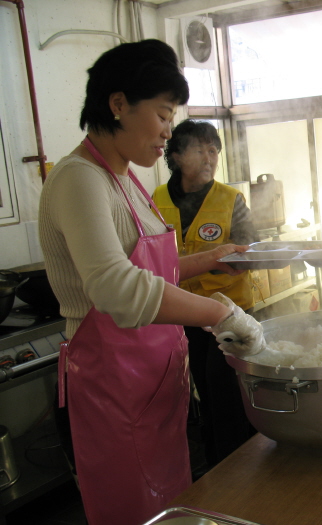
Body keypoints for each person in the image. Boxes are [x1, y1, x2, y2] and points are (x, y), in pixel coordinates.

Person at [38, 40, 264, 525]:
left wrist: (207, 259)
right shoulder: (79, 179)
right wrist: (221, 314)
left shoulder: (127, 180)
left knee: (173, 511)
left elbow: (151, 269)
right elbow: (117, 288)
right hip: (114, 396)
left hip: (155, 390)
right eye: (163, 115)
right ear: (118, 104)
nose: (168, 132)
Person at [153, 119, 257, 468]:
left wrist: (219, 261)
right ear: (178, 155)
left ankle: (235, 469)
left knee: (226, 393)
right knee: (200, 395)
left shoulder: (231, 199)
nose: (210, 157)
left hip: (229, 315)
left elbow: (249, 254)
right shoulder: (155, 200)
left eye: (214, 150)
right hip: (177, 314)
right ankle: (213, 463)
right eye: (200, 149)